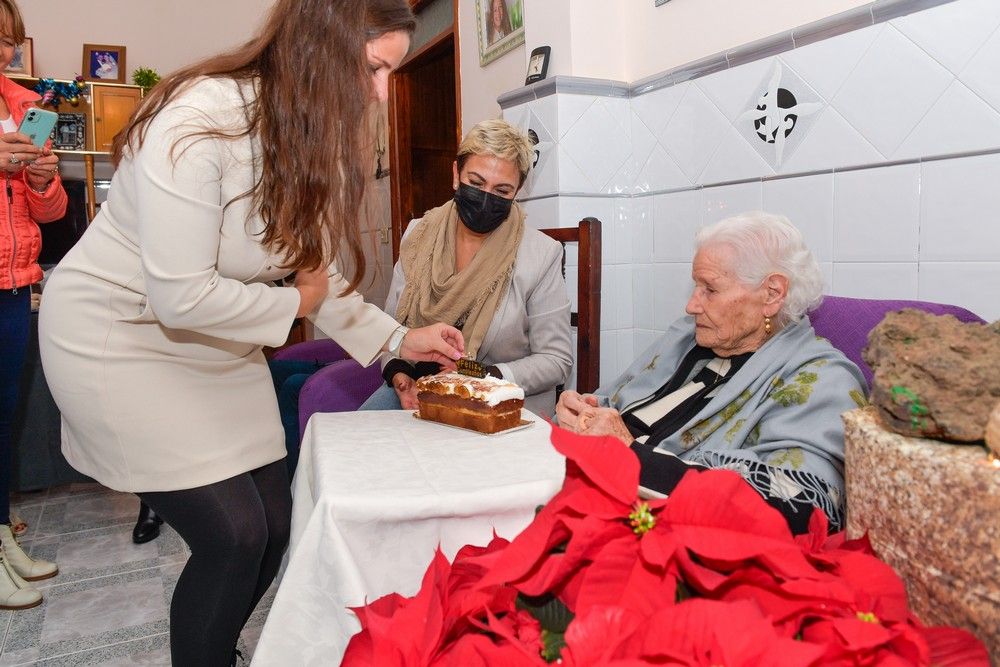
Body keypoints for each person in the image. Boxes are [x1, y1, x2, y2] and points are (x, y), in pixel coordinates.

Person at [38, 1, 464, 664]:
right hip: (118, 335)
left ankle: (213, 646)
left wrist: (400, 341)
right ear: (322, 50)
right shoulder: (199, 122)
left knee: (275, 523)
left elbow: (320, 281)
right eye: (375, 68)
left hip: (214, 340)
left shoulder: (307, 139)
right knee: (233, 534)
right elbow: (182, 296)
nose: (382, 92)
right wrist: (297, 301)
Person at [556, 212, 866, 534]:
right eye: (696, 286)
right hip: (593, 491)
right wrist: (584, 411)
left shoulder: (821, 377)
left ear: (772, 294)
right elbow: (620, 402)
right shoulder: (687, 335)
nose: (691, 305)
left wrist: (630, 457)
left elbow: (804, 507)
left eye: (710, 289)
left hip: (668, 533)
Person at [360, 118, 573, 417]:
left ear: (518, 192)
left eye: (502, 191)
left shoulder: (539, 255)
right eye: (476, 183)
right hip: (420, 391)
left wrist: (481, 376)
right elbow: (391, 327)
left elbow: (556, 360)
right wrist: (398, 373)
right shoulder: (418, 236)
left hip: (496, 404)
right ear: (456, 174)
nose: (486, 199)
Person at [0, 0, 65, 610]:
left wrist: (43, 181)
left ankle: (2, 539)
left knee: (3, 419)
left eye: (7, 39)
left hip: (16, 282)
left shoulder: (28, 105)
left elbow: (49, 211)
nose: (1, 50)